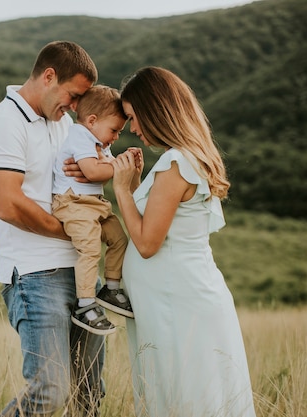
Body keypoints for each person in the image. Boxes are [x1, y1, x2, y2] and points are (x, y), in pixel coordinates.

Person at [109, 66, 257, 416]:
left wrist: (120, 190)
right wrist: (133, 189)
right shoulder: (182, 159)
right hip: (175, 303)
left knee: (185, 401)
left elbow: (146, 244)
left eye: (133, 117)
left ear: (154, 109)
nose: (132, 128)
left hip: (180, 307)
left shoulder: (176, 162)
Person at [0, 41, 106, 417]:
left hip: (83, 274)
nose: (77, 106)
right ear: (49, 76)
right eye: (73, 95)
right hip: (36, 275)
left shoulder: (65, 124)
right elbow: (8, 204)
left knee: (88, 395)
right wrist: (73, 233)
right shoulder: (4, 122)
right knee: (50, 392)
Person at [52, 85, 134, 336]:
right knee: (89, 248)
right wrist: (122, 166)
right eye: (114, 130)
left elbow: (102, 172)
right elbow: (94, 172)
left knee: (119, 238)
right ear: (92, 120)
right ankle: (85, 304)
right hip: (73, 203)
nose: (116, 137)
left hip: (94, 204)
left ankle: (110, 287)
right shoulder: (80, 136)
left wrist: (114, 163)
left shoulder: (97, 139)